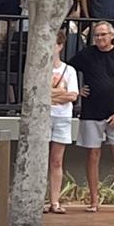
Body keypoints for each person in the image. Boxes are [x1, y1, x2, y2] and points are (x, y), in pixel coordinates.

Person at [68, 20, 114, 213]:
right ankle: (93, 200)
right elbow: (68, 69)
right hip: (91, 112)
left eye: (103, 34)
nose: (100, 38)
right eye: (97, 35)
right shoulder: (87, 55)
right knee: (92, 155)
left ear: (112, 36)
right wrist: (75, 91)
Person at [44, 30, 78, 214]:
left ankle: (55, 201)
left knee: (56, 160)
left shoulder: (69, 70)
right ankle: (40, 199)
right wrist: (59, 94)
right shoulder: (42, 68)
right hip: (45, 116)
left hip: (62, 117)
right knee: (41, 159)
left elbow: (72, 95)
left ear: (59, 46)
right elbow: (40, 94)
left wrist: (53, 96)